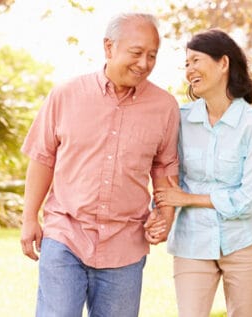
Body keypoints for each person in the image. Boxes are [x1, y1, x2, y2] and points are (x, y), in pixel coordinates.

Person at [19, 12, 179, 317]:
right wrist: (29, 218)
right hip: (65, 234)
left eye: (152, 55)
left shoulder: (165, 107)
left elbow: (164, 168)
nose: (144, 63)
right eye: (136, 52)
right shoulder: (65, 95)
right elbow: (42, 158)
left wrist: (165, 216)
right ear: (109, 47)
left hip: (125, 244)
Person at [151, 29, 252, 317]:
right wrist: (158, 213)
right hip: (192, 242)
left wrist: (188, 199)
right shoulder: (180, 120)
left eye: (196, 60)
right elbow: (168, 177)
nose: (189, 70)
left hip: (245, 242)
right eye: (187, 64)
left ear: (224, 63)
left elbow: (249, 200)